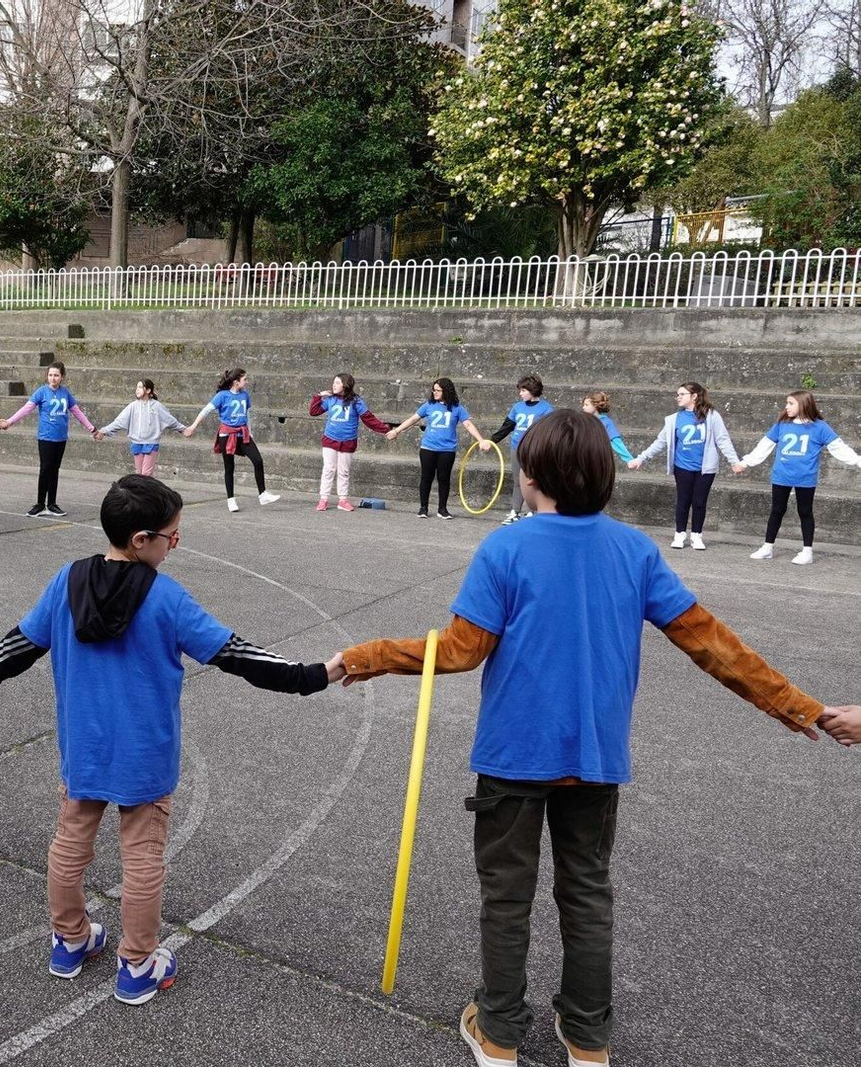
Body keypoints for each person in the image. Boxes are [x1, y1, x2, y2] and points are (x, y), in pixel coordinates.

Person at [325, 409, 858, 1067]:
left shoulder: (506, 547)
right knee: (586, 894)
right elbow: (714, 644)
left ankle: (497, 1034)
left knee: (507, 896)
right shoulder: (633, 549)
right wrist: (803, 707)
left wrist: (366, 654)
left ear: (532, 475)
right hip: (596, 759)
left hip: (514, 759)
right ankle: (588, 1039)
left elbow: (460, 650)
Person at [0, 475, 330, 1005]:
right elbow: (235, 654)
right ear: (141, 540)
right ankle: (137, 964)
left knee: (71, 841)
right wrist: (313, 674)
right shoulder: (166, 598)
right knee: (143, 855)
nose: (176, 545)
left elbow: (19, 643)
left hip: (83, 747)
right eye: (173, 537)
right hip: (144, 755)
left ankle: (70, 941)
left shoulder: (67, 581)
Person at [734, 389, 861, 565]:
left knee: (805, 511)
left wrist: (857, 460)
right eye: (786, 403)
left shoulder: (820, 427)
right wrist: (746, 462)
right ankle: (767, 547)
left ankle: (807, 551)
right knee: (777, 510)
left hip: (805, 478)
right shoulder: (782, 424)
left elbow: (839, 447)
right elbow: (764, 446)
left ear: (803, 404)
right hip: (781, 475)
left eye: (791, 403)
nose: (786, 407)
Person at [628, 381, 741, 550]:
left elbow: (723, 439)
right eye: (677, 394)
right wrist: (641, 458)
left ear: (694, 396)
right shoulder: (674, 419)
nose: (678, 397)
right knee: (683, 500)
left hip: (705, 467)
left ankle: (697, 535)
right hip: (683, 466)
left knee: (699, 502)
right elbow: (660, 442)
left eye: (682, 394)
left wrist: (734, 461)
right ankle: (679, 534)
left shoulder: (712, 415)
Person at [387, 377, 493, 519]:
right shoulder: (428, 405)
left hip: (447, 449)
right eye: (434, 390)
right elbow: (413, 419)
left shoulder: (457, 408)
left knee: (444, 478)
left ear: (446, 391)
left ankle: (442, 509)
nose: (434, 392)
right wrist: (396, 431)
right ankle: (423, 508)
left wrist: (481, 440)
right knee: (426, 477)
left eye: (438, 390)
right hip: (428, 448)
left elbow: (468, 424)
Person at [1, 362, 96, 518]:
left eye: (56, 375)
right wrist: (10, 422)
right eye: (51, 375)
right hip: (46, 437)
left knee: (54, 470)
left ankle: (51, 504)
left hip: (61, 438)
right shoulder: (41, 392)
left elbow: (77, 412)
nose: (53, 378)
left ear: (62, 377)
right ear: (47, 376)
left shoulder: (65, 393)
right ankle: (40, 504)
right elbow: (26, 409)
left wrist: (91, 428)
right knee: (45, 469)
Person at [181, 367, 278, 513]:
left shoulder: (245, 395)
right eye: (244, 379)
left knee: (257, 460)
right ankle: (231, 500)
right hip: (226, 435)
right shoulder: (222, 396)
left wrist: (250, 432)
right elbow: (205, 411)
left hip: (242, 433)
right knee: (229, 467)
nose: (247, 381)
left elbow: (247, 414)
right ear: (235, 382)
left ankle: (263, 494)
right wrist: (193, 426)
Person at [309, 372, 394, 513]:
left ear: (345, 385)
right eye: (333, 382)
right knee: (328, 469)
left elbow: (368, 418)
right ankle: (323, 499)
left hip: (348, 441)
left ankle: (343, 500)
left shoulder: (356, 401)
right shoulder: (330, 399)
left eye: (337, 382)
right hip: (330, 439)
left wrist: (385, 430)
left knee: (344, 471)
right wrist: (319, 396)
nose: (333, 385)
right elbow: (314, 411)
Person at [489, 374, 553, 524]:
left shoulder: (546, 409)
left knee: (533, 480)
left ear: (532, 390)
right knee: (518, 480)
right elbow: (507, 427)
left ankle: (532, 511)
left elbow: (548, 432)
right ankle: (515, 511)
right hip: (516, 447)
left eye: (523, 390)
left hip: (533, 450)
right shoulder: (517, 407)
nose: (520, 393)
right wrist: (491, 441)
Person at [93, 378, 185, 478]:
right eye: (137, 387)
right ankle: (140, 493)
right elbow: (119, 422)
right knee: (139, 473)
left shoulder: (157, 406)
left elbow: (170, 420)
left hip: (151, 444)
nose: (137, 389)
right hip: (136, 443)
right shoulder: (132, 406)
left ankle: (147, 493)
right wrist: (103, 431)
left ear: (148, 390)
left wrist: (183, 429)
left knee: (146, 474)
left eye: (140, 387)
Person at [581, 393, 633, 463]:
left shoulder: (606, 422)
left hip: (596, 459)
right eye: (584, 405)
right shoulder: (583, 421)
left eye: (586, 405)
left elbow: (616, 441)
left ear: (596, 406)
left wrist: (629, 459)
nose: (583, 407)